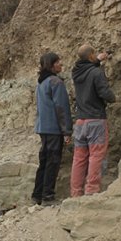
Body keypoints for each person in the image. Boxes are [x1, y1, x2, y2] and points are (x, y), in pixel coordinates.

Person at [70, 44, 116, 197]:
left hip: (80, 122)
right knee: (96, 156)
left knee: (79, 158)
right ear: (90, 56)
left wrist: (97, 59)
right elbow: (104, 92)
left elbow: (85, 67)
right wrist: (113, 98)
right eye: (94, 54)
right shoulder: (96, 73)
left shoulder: (75, 73)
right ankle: (91, 190)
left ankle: (76, 193)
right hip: (95, 120)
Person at [32, 52, 72, 205]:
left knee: (44, 161)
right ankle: (48, 196)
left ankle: (37, 195)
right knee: (53, 162)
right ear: (51, 64)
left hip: (43, 127)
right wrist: (67, 131)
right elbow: (62, 108)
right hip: (54, 128)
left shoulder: (41, 82)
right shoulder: (55, 82)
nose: (61, 64)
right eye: (58, 61)